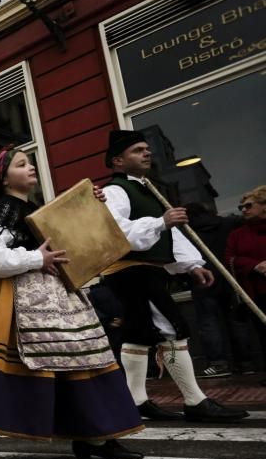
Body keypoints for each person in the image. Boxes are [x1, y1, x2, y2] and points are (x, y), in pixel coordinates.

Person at [0, 146, 145, 459]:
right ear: (3, 179)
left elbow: (67, 240)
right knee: (77, 360)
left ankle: (95, 436)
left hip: (53, 297)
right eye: (21, 165)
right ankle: (94, 437)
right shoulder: (4, 208)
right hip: (26, 301)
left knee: (84, 360)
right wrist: (36, 258)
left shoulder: (25, 207)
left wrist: (89, 206)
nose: (30, 167)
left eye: (30, 162)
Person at [100, 130, 248, 423]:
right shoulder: (116, 191)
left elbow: (170, 232)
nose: (147, 153)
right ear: (118, 160)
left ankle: (137, 401)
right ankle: (195, 401)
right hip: (130, 270)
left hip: (147, 269)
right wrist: (160, 221)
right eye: (137, 150)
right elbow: (116, 233)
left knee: (139, 334)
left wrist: (192, 264)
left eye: (146, 149)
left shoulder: (150, 190)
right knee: (171, 327)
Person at [185, 203, 253, 377]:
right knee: (237, 322)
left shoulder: (187, 232)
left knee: (209, 323)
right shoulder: (229, 224)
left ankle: (218, 364)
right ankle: (245, 363)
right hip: (231, 279)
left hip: (203, 280)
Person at [225, 185, 266, 374]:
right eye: (241, 206)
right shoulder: (237, 234)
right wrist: (254, 265)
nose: (243, 210)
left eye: (249, 206)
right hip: (256, 293)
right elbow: (230, 258)